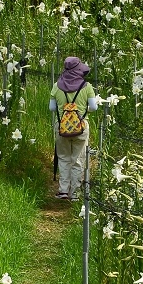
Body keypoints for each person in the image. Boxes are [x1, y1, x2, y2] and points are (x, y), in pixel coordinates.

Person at [50, 56, 99, 200]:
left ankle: (63, 191)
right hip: (81, 127)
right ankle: (75, 193)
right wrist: (81, 111)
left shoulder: (56, 86)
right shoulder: (86, 86)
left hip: (62, 127)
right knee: (78, 159)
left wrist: (64, 110)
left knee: (64, 158)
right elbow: (94, 107)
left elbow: (52, 107)